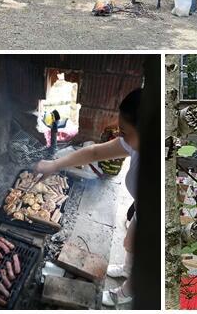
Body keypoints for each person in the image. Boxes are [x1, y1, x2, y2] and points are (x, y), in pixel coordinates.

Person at [35, 90, 141, 306]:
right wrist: (54, 164)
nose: (120, 137)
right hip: (142, 210)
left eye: (125, 132)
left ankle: (126, 291)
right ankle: (127, 269)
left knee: (143, 258)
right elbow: (94, 153)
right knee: (129, 243)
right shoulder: (136, 143)